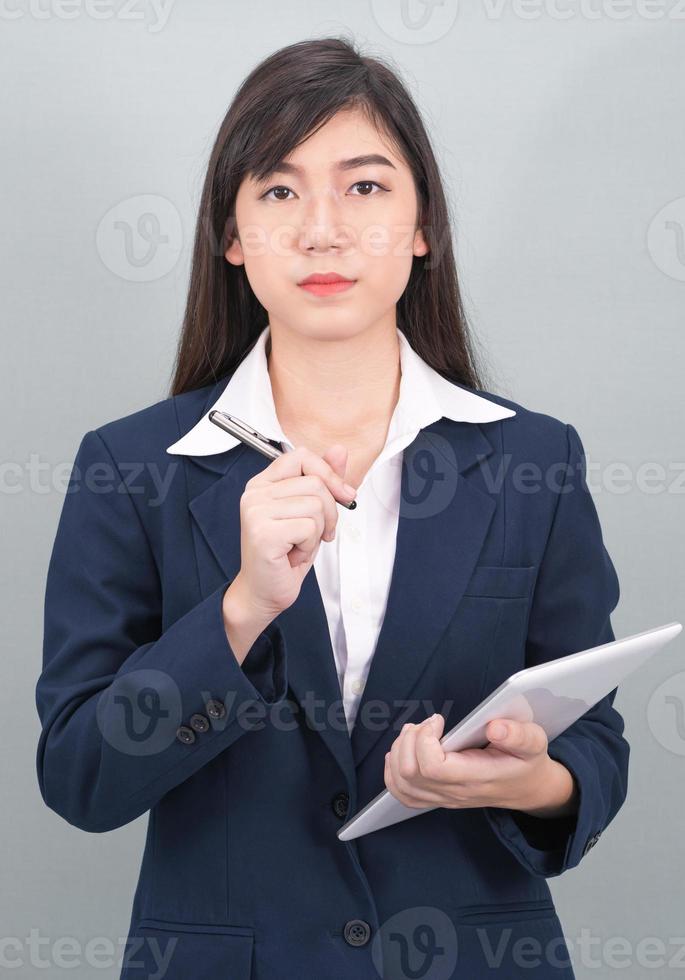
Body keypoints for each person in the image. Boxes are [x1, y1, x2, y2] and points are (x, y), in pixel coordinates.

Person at [35, 36, 629, 980]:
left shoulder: (531, 459)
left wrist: (539, 781)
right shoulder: (132, 466)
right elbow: (79, 777)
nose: (321, 230)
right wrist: (239, 614)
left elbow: (593, 740)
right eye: (278, 191)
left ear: (422, 224)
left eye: (364, 187)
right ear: (230, 238)